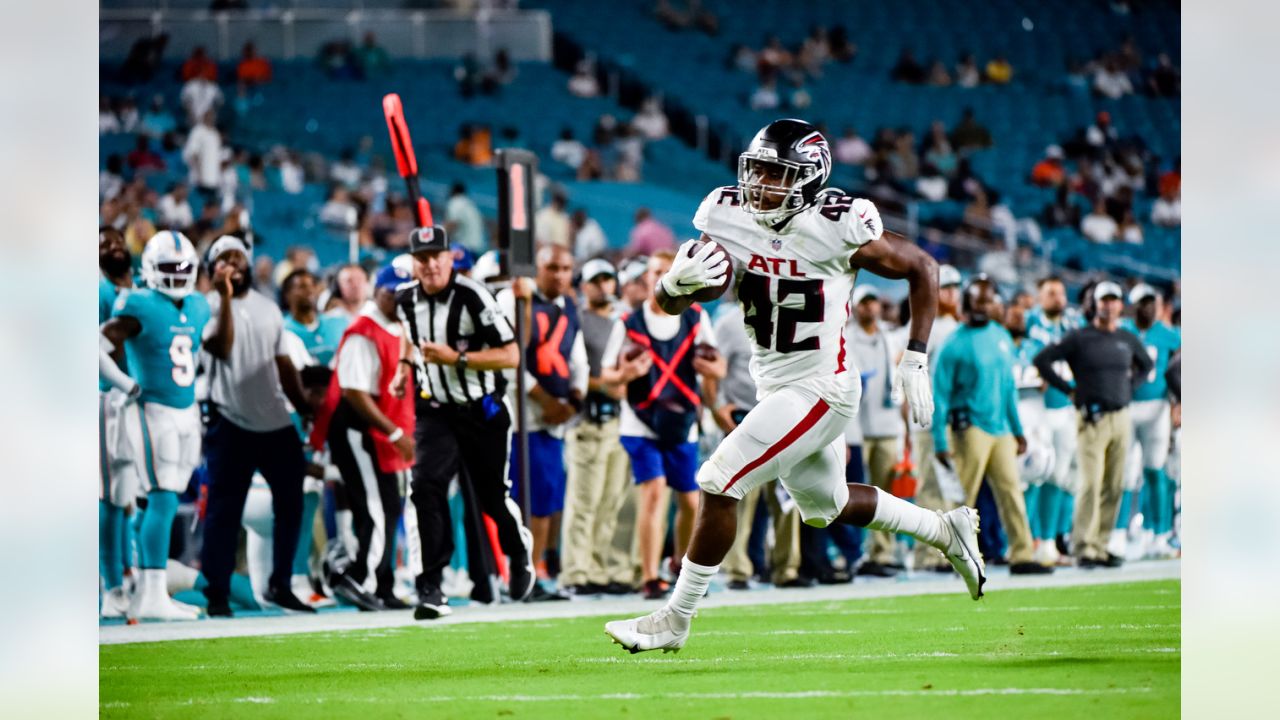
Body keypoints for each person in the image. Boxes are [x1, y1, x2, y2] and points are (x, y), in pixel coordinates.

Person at [606, 119, 981, 654]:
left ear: (809, 179)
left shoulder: (837, 223)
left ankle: (676, 617)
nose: (761, 183)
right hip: (776, 386)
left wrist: (915, 356)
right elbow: (679, 300)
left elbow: (923, 266)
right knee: (825, 505)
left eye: (777, 174)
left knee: (717, 481)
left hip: (821, 386)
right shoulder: (728, 213)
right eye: (756, 169)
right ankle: (946, 531)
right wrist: (673, 286)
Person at [390, 226, 535, 619]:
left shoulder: (473, 296)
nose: (431, 264)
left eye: (438, 255)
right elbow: (411, 335)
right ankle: (431, 586)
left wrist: (456, 358)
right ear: (414, 263)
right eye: (423, 258)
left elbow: (510, 355)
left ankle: (517, 551)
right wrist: (405, 366)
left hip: (481, 408)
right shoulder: (405, 300)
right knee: (425, 486)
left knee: (491, 496)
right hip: (435, 409)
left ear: (451, 258)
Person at [199, 235, 315, 616]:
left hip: (274, 421)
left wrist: (304, 409)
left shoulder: (268, 308)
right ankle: (217, 592)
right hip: (230, 419)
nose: (234, 262)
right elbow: (221, 346)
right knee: (224, 510)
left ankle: (281, 582)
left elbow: (283, 365)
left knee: (292, 502)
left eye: (239, 256)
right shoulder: (207, 306)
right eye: (224, 258)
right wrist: (226, 298)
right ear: (212, 268)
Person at [99, 231, 211, 621]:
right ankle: (150, 592)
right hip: (151, 410)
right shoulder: (140, 302)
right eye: (169, 268)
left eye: (183, 268)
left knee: (159, 498)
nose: (178, 275)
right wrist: (125, 382)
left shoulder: (198, 305)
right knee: (161, 497)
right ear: (149, 269)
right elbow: (98, 343)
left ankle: (147, 589)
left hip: (185, 409)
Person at [618, 250, 726, 599]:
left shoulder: (696, 318)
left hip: (682, 422)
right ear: (646, 277)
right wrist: (624, 374)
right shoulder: (628, 321)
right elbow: (606, 375)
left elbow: (717, 367)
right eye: (655, 271)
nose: (661, 276)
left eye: (668, 270)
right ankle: (650, 576)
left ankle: (680, 565)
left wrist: (715, 372)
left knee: (691, 501)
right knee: (653, 494)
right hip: (641, 421)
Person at [311, 265, 416, 611]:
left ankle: (382, 583)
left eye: (405, 293)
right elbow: (354, 393)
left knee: (389, 505)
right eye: (393, 293)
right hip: (358, 428)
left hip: (381, 429)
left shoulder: (397, 327)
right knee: (375, 506)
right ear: (378, 292)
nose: (400, 300)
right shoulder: (362, 331)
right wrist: (396, 432)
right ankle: (361, 579)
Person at [933, 277, 1048, 574]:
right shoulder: (954, 344)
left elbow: (1008, 388)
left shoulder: (1001, 335)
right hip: (969, 428)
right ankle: (950, 555)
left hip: (1001, 430)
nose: (985, 306)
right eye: (978, 300)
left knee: (1011, 491)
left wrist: (1018, 429)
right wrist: (939, 441)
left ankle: (1022, 555)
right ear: (967, 303)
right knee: (962, 497)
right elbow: (940, 396)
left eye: (989, 300)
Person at [1034, 281, 1153, 568]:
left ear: (1119, 305)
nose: (1109, 305)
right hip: (1091, 418)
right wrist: (1069, 389)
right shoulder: (1080, 337)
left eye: (1114, 300)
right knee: (1090, 483)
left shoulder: (1126, 337)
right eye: (1104, 300)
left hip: (1121, 417)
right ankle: (1083, 546)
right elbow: (1042, 360)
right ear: (1095, 305)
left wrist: (1129, 387)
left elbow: (1147, 365)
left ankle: (1100, 545)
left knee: (1114, 484)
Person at [497, 246, 589, 597]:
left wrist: (573, 401)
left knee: (548, 500)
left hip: (555, 421)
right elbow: (509, 360)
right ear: (537, 268)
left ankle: (536, 570)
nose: (560, 274)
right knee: (524, 501)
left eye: (566, 267)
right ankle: (520, 574)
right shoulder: (513, 301)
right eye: (552, 267)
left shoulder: (568, 306)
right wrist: (547, 400)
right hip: (522, 420)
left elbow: (578, 359)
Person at [560, 260, 648, 595]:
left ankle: (600, 569)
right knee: (585, 501)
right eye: (595, 280)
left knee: (612, 500)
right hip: (589, 418)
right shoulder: (577, 320)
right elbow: (575, 372)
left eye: (607, 279)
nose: (603, 285)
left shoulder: (624, 320)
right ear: (583, 285)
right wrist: (613, 383)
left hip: (620, 417)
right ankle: (576, 572)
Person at [715, 285, 805, 589]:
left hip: (781, 416)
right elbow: (714, 370)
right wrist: (717, 408)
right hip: (745, 418)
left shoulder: (787, 318)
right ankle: (737, 570)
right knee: (742, 498)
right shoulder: (728, 323)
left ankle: (787, 568)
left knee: (787, 497)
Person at [847, 285, 908, 576]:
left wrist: (904, 427)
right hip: (856, 428)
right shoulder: (845, 337)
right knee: (855, 494)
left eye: (873, 303)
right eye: (864, 303)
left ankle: (881, 553)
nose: (869, 308)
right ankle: (854, 553)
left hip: (885, 424)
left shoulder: (889, 338)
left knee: (884, 494)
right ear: (855, 307)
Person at [906, 263, 962, 571]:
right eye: (946, 288)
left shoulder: (957, 327)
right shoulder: (921, 324)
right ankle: (927, 555)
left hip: (953, 419)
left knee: (952, 489)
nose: (952, 294)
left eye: (955, 288)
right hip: (927, 416)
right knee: (929, 487)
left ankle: (951, 551)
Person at [1119, 284, 1181, 558]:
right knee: (1125, 473)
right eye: (1141, 303)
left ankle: (1160, 534)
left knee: (1155, 470)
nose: (1146, 308)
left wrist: (1180, 400)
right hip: (1126, 407)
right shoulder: (1123, 332)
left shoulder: (1168, 335)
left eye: (1150, 302)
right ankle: (1118, 533)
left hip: (1156, 408)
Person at [1025, 276, 1085, 557]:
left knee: (1060, 476)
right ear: (1040, 297)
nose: (1058, 298)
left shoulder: (1072, 326)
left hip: (1064, 408)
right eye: (1051, 293)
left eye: (1061, 292)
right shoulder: (1028, 322)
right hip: (1035, 409)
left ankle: (1051, 539)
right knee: (1034, 475)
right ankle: (1029, 539)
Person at [98, 228, 137, 619]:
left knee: (130, 495)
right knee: (110, 495)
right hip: (109, 396)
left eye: (116, 242)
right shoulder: (97, 293)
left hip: (140, 398)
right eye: (102, 245)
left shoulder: (139, 287)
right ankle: (111, 585)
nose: (112, 248)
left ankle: (128, 574)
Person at [1004, 303, 1060, 565]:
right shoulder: (998, 344)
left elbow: (1049, 379)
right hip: (1007, 419)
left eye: (1021, 315)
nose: (1017, 317)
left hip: (1035, 418)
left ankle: (1035, 538)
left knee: (1037, 476)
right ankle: (1012, 540)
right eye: (1013, 313)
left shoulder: (1036, 347)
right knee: (1009, 483)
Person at [281, 269, 349, 367]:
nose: (310, 290)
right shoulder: (283, 331)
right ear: (287, 295)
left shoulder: (339, 324)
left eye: (313, 285)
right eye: (302, 287)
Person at [444, 182, 485, 254]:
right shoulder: (470, 204)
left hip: (465, 247)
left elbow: (452, 224)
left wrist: (438, 235)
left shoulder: (456, 202)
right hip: (478, 246)